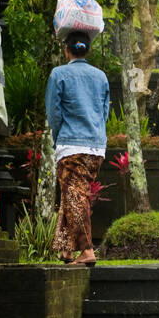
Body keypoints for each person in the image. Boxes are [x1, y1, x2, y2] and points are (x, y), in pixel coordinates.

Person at [45, 30, 110, 267]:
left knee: (74, 196)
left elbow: (54, 114)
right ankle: (66, 249)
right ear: (88, 50)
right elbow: (104, 112)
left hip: (71, 143)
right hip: (96, 146)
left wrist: (59, 136)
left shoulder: (59, 74)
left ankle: (87, 250)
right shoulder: (100, 76)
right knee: (74, 193)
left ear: (66, 49)